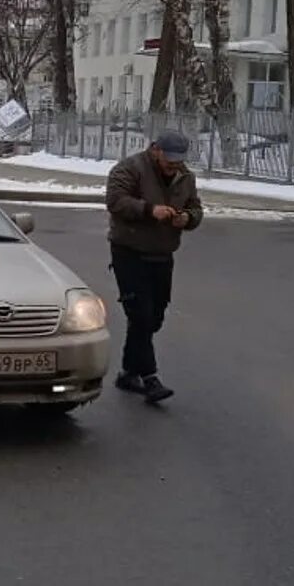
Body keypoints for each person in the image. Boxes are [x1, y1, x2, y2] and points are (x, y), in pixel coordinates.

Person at [105, 129, 203, 404]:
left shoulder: (186, 177)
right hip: (129, 252)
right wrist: (150, 210)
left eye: (178, 161)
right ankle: (150, 378)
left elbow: (196, 209)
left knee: (154, 317)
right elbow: (115, 202)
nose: (174, 166)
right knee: (140, 314)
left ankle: (128, 372)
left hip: (162, 254)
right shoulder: (130, 168)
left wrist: (187, 218)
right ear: (156, 149)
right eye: (169, 160)